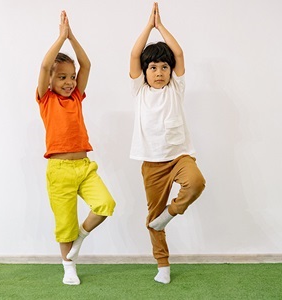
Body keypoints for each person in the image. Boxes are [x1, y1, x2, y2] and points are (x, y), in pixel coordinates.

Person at [36, 11, 116, 285]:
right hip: (59, 170)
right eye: (62, 78)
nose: (69, 82)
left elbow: (86, 64)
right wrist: (60, 38)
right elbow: (46, 66)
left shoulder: (77, 98)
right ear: (50, 82)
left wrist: (71, 36)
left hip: (84, 167)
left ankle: (81, 237)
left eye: (71, 77)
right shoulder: (45, 99)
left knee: (106, 204)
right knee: (65, 223)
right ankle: (68, 266)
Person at [129, 2, 206, 284]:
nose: (159, 72)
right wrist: (148, 27)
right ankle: (163, 266)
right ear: (144, 72)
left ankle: (171, 212)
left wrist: (161, 27)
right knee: (153, 218)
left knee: (196, 183)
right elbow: (135, 54)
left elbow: (179, 53)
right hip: (152, 163)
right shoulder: (139, 90)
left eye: (164, 67)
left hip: (179, 157)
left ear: (171, 72)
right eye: (153, 67)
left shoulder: (176, 87)